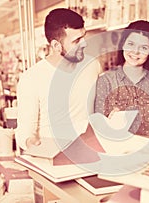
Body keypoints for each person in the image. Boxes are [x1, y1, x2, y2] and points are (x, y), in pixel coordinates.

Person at [15, 8, 102, 150]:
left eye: (83, 36)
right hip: (53, 159)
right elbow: (24, 131)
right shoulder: (31, 78)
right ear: (56, 46)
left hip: (90, 154)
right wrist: (31, 143)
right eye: (77, 40)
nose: (84, 43)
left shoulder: (92, 65)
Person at [94, 20, 149, 140]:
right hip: (120, 150)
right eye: (131, 44)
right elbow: (99, 126)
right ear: (123, 44)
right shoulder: (106, 81)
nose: (135, 51)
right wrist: (115, 121)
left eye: (143, 47)